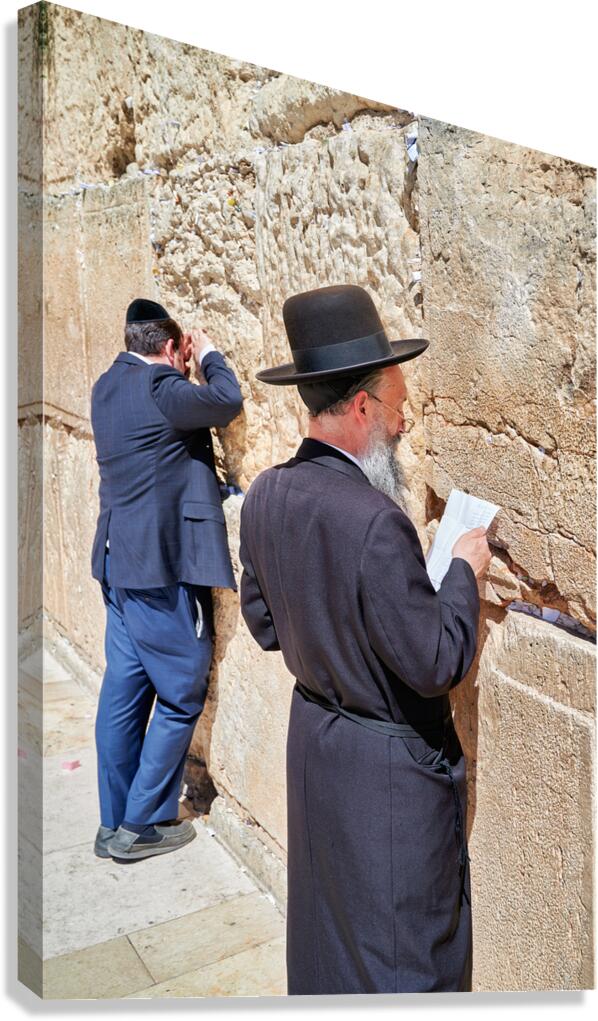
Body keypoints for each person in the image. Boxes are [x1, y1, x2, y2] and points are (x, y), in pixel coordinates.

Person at [238, 283, 491, 994]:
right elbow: (435, 657)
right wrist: (463, 573)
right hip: (385, 786)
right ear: (361, 408)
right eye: (400, 407)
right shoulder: (376, 522)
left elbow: (264, 624)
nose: (405, 425)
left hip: (318, 758)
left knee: (332, 953)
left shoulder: (263, 495)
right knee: (401, 962)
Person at [90, 298, 243, 861]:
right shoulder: (163, 390)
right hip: (159, 570)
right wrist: (207, 355)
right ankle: (141, 826)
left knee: (123, 695)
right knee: (181, 692)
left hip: (116, 565)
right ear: (170, 347)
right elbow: (226, 400)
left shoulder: (106, 386)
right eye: (181, 352)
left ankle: (111, 824)